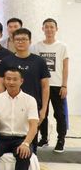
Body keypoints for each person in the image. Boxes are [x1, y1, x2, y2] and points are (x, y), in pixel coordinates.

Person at [0, 28, 50, 148]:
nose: (20, 42)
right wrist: (0, 103)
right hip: (10, 106)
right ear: (13, 41)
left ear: (30, 41)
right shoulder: (6, 61)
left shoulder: (39, 61)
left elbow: (45, 87)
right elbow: (1, 84)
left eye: (24, 39)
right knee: (9, 140)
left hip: (32, 107)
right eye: (17, 39)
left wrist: (44, 109)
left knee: (31, 144)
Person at [31, 18, 69, 152]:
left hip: (57, 85)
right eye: (46, 27)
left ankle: (61, 140)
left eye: (52, 27)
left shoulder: (62, 46)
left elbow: (65, 67)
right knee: (42, 113)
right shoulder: (36, 47)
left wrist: (64, 85)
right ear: (42, 29)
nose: (49, 29)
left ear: (56, 29)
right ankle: (44, 138)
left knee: (59, 114)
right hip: (41, 85)